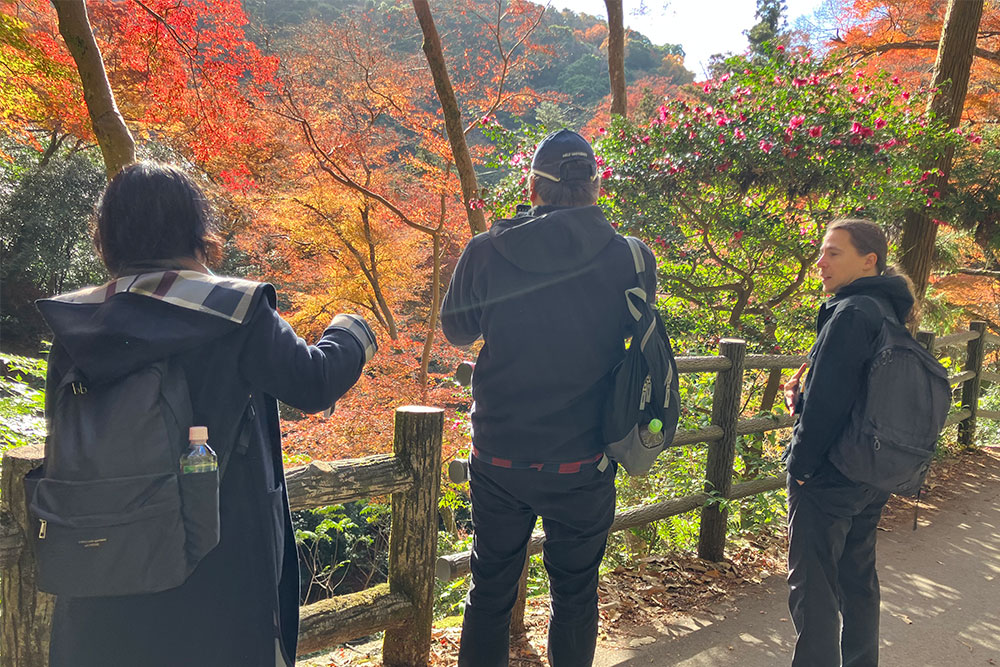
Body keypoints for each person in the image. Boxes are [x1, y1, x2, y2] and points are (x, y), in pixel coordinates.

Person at [37, 162, 377, 667]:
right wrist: (351, 331)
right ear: (198, 232)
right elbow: (312, 382)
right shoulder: (232, 310)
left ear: (106, 239)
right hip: (216, 557)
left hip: (97, 556)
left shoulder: (75, 323)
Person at [441, 129, 656, 667]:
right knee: (576, 594)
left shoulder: (488, 249)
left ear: (532, 187)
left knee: (489, 591)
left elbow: (458, 332)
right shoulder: (631, 258)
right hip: (584, 457)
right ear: (596, 189)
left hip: (500, 452)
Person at [782, 218, 917, 667]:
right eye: (822, 252)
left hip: (830, 473)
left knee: (814, 589)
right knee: (857, 581)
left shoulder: (852, 312)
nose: (820, 263)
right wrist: (802, 400)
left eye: (833, 253)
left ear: (868, 260)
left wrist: (800, 467)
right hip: (869, 471)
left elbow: (828, 405)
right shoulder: (888, 314)